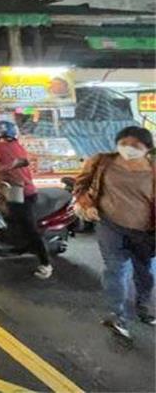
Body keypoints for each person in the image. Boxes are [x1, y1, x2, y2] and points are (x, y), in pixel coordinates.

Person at [74, 126, 155, 342]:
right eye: (123, 143)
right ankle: (117, 315)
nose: (128, 149)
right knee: (114, 269)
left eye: (135, 145)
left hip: (145, 232)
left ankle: (144, 307)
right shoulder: (102, 162)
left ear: (147, 148)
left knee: (145, 271)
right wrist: (87, 205)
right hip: (110, 225)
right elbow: (80, 186)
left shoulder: (153, 167)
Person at [0, 120, 52, 280]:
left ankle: (46, 264)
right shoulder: (17, 146)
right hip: (18, 191)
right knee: (8, 216)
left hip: (22, 193)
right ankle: (14, 244)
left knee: (29, 227)